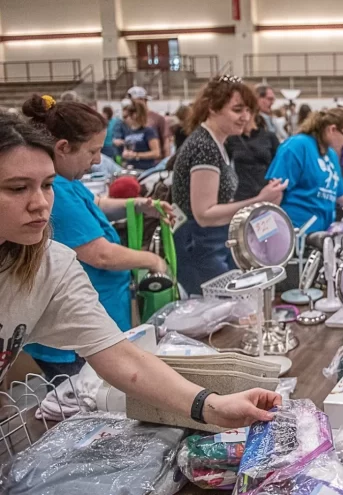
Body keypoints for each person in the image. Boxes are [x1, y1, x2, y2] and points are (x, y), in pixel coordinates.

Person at [0, 111, 282, 426]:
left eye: (47, 185)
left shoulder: (51, 266)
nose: (40, 203)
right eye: (17, 188)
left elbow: (119, 356)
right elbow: (101, 254)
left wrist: (212, 405)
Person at [20, 94, 172, 380]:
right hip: (72, 338)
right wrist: (152, 259)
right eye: (92, 152)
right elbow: (100, 254)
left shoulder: (66, 182)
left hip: (89, 323)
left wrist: (139, 204)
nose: (97, 161)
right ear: (63, 147)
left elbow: (96, 204)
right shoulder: (57, 192)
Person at [171, 76, 288, 295]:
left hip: (212, 243)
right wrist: (258, 201)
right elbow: (204, 214)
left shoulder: (217, 144)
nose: (245, 117)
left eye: (248, 111)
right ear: (213, 108)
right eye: (237, 110)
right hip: (199, 247)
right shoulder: (204, 147)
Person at [266, 108, 343, 233]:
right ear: (332, 129)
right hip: (294, 229)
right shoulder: (297, 146)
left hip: (321, 232)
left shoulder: (331, 155)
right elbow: (275, 191)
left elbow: (340, 194)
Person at [227, 113, 281, 201]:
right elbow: (225, 167)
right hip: (242, 195)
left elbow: (279, 165)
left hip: (268, 193)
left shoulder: (269, 136)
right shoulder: (231, 139)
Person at [117, 102, 161, 171]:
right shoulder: (128, 131)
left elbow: (156, 153)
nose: (124, 120)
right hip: (131, 168)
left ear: (134, 115)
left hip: (145, 169)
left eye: (126, 117)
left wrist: (136, 155)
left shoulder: (149, 131)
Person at [127, 86, 168, 157]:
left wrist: (167, 161)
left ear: (143, 100)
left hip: (154, 163)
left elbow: (166, 140)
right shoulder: (130, 119)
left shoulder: (157, 118)